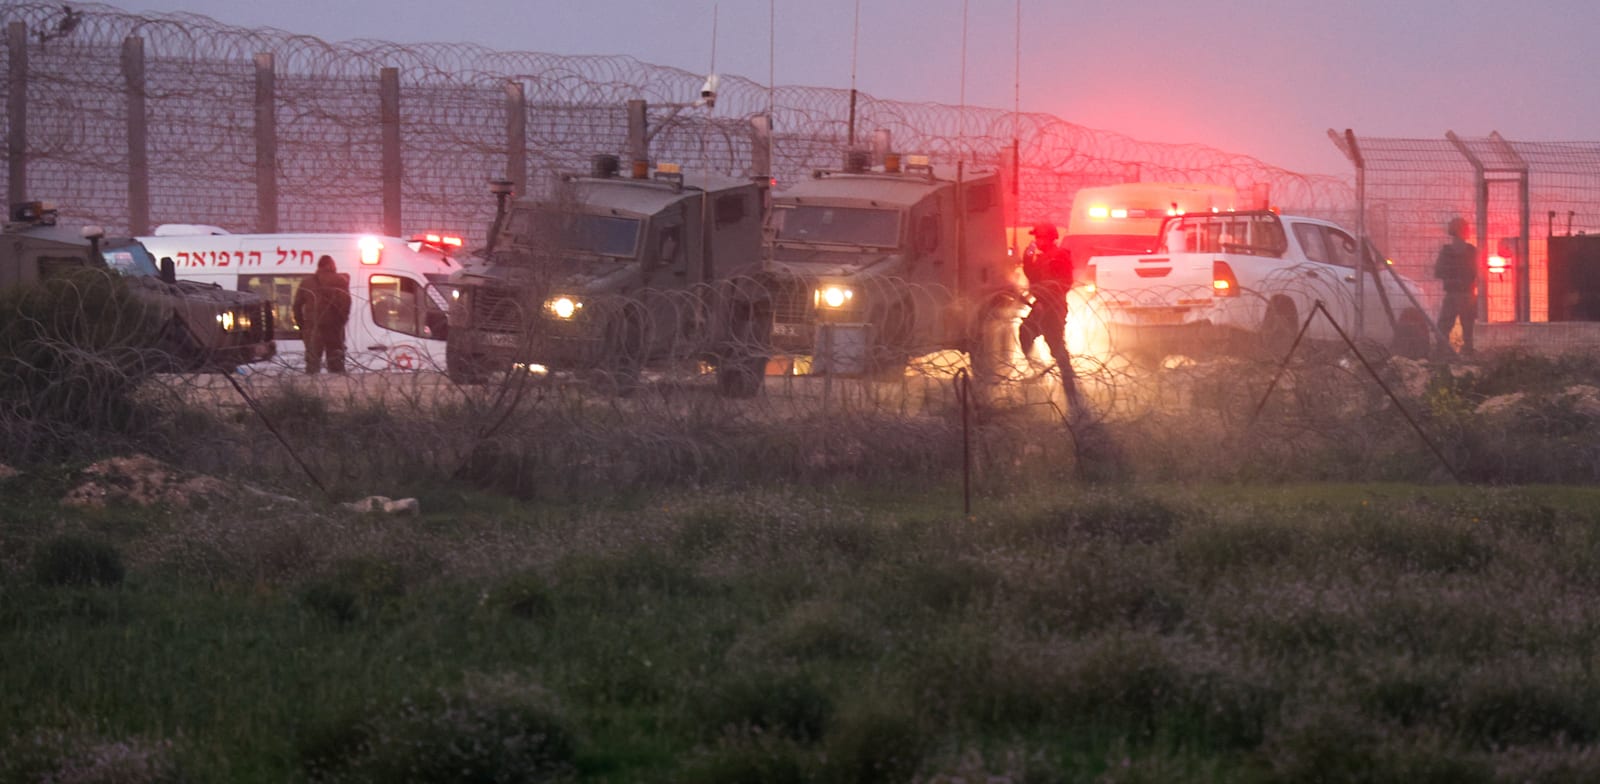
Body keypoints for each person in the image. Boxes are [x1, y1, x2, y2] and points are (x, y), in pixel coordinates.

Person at [1018, 222, 1073, 371]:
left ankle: (1069, 380)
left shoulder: (1059, 255)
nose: (1037, 241)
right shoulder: (1042, 258)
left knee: (1056, 345)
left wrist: (1046, 301)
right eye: (1037, 238)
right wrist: (1027, 259)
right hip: (1041, 306)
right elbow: (1033, 278)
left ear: (1050, 238)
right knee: (1025, 332)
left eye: (1040, 238)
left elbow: (1065, 282)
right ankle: (1036, 367)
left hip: (1054, 308)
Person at [292, 254, 352, 373]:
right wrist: (341, 323)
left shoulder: (306, 282)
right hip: (334, 329)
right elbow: (346, 304)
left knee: (312, 367)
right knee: (336, 365)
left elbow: (296, 306)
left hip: (313, 328)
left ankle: (312, 385)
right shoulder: (340, 281)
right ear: (331, 265)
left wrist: (302, 326)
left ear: (319, 266)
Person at [1433, 216, 1478, 355]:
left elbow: (1438, 271)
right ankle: (1468, 353)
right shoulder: (1471, 251)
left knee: (1443, 326)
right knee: (1468, 328)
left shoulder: (1446, 251)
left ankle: (1443, 353)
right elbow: (1477, 272)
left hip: (1452, 294)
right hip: (1467, 294)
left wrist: (1451, 277)